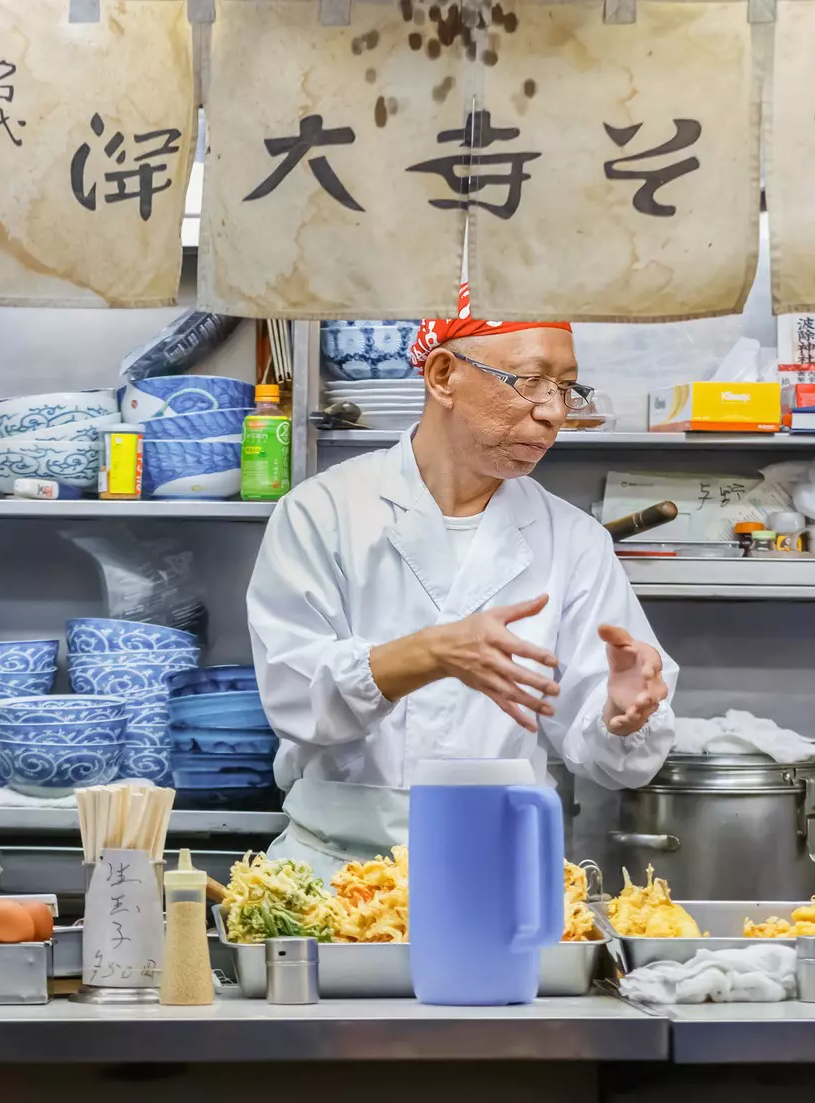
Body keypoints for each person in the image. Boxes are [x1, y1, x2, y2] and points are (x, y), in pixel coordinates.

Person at [248, 292, 676, 876]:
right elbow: (296, 700)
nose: (553, 412)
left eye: (567, 388)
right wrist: (432, 653)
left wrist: (621, 716)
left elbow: (612, 759)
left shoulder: (573, 540)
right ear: (444, 375)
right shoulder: (323, 512)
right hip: (334, 875)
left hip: (498, 877)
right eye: (530, 382)